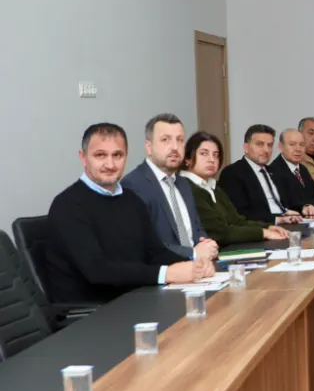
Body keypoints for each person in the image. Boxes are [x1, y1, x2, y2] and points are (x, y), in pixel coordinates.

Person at [46, 123, 212, 304]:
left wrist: (194, 264)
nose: (110, 164)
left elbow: (155, 252)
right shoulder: (67, 205)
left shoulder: (132, 200)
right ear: (83, 158)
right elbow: (98, 271)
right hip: (94, 310)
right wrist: (167, 273)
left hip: (138, 298)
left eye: (117, 155)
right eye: (100, 155)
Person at [121, 113, 218, 261]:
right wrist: (192, 253)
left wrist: (207, 245)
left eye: (180, 140)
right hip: (166, 271)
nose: (174, 147)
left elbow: (197, 229)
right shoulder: (133, 185)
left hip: (199, 267)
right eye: (165, 140)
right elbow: (145, 245)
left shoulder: (183, 183)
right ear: (149, 147)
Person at [181, 131, 290, 246]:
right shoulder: (187, 188)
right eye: (204, 153)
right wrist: (263, 233)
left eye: (216, 155)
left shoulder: (213, 186)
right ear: (187, 158)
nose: (211, 159)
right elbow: (219, 233)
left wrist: (268, 227)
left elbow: (237, 221)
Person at [218, 124, 303, 225]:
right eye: (260, 144)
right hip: (260, 228)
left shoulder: (275, 172)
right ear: (246, 147)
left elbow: (290, 200)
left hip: (288, 223)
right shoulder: (232, 173)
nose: (266, 150)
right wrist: (277, 219)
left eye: (270, 145)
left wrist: (303, 207)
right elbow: (240, 213)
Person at [269, 129, 314, 216]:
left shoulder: (302, 168)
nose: (298, 149)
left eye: (302, 145)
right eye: (292, 144)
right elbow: (291, 205)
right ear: (281, 147)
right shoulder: (274, 171)